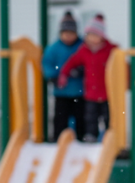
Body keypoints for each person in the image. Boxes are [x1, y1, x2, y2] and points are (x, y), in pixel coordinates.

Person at [58, 14, 117, 143]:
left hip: (107, 92)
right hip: (91, 92)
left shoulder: (110, 50)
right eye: (89, 35)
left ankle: (110, 136)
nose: (92, 39)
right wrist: (64, 73)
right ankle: (91, 135)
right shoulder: (84, 50)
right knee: (90, 117)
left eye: (95, 35)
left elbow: (119, 61)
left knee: (108, 116)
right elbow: (72, 61)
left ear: (102, 37)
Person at [42, 11, 85, 142]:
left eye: (71, 33)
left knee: (80, 117)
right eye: (65, 33)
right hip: (61, 92)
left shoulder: (82, 47)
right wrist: (52, 76)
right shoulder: (54, 48)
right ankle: (58, 139)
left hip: (79, 91)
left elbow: (88, 62)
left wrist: (81, 71)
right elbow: (47, 63)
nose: (68, 37)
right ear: (60, 34)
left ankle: (81, 138)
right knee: (60, 118)